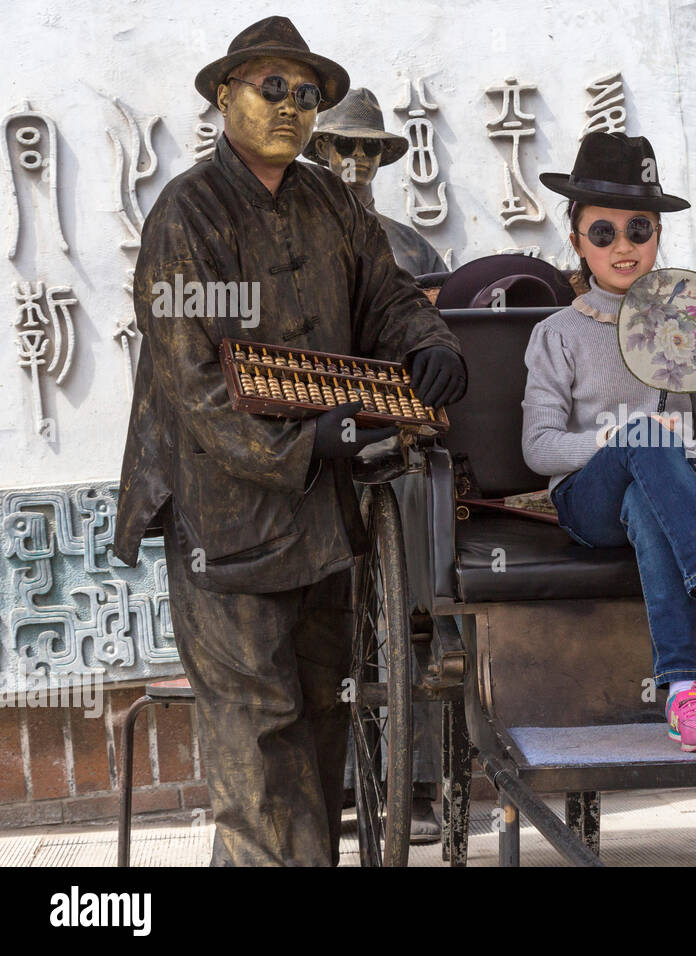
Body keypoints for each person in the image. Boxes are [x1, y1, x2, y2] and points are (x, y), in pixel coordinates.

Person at [112, 16, 467, 866]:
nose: (290, 107)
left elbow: (388, 297)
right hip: (223, 521)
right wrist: (308, 442)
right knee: (259, 748)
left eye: (305, 95)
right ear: (224, 95)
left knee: (321, 725)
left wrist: (429, 344)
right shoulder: (184, 217)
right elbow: (192, 384)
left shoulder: (334, 203)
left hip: (325, 526)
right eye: (270, 88)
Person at [523, 131, 696, 753]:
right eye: (603, 233)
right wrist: (612, 438)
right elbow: (539, 447)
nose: (623, 247)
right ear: (577, 241)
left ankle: (687, 692)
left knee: (652, 501)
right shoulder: (557, 333)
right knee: (644, 439)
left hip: (670, 494)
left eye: (638, 230)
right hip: (588, 503)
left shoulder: (682, 322)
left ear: (657, 236)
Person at [307, 84, 445, 845]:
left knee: (414, 616)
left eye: (368, 148)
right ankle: (342, 792)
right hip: (320, 449)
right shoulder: (289, 246)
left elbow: (436, 326)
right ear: (315, 151)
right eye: (341, 146)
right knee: (333, 629)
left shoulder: (412, 248)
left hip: (399, 453)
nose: (355, 161)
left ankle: (416, 787)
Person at [305, 87, 448, 276]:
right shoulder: (295, 235)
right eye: (346, 144)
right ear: (324, 149)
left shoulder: (412, 245)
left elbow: (441, 301)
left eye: (371, 145)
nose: (359, 153)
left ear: (381, 154)